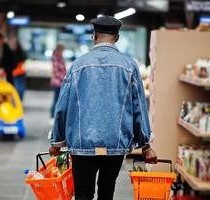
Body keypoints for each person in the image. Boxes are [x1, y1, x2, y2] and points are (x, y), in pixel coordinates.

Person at [49, 16, 157, 200]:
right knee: (107, 192)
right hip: (115, 143)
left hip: (82, 144)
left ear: (94, 35)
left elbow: (62, 106)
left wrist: (56, 141)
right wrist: (145, 145)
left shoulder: (78, 65)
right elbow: (138, 106)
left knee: (83, 194)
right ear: (117, 38)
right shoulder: (129, 66)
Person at [50, 44, 66, 119]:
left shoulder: (59, 57)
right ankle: (52, 115)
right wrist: (64, 78)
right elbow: (56, 71)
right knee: (56, 99)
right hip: (58, 82)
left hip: (59, 81)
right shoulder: (56, 58)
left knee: (57, 99)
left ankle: (54, 115)